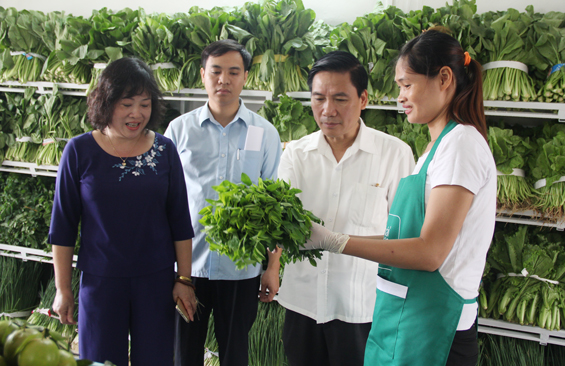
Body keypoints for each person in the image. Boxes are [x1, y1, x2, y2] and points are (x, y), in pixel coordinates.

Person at [303, 29, 497, 366]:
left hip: (436, 326)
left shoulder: (460, 146)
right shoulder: (436, 148)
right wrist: (330, 239)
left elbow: (430, 252)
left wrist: (335, 241)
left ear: (444, 78)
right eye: (398, 87)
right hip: (411, 317)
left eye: (407, 84)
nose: (401, 97)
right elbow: (403, 239)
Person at [49, 57, 197, 365]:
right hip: (101, 282)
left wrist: (184, 279)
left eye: (144, 104)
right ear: (106, 103)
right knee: (99, 360)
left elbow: (180, 221)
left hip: (155, 281)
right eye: (126, 103)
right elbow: (63, 227)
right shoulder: (79, 151)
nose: (136, 114)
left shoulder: (164, 150)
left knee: (156, 360)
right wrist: (63, 288)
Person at [276, 50, 415, 366]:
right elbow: (281, 222)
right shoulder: (295, 155)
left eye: (340, 99)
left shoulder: (395, 155)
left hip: (362, 307)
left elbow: (405, 237)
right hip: (302, 304)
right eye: (318, 98)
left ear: (363, 99)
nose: (327, 110)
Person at [164, 39, 282, 366]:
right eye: (215, 71)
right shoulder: (179, 131)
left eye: (233, 72)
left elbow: (274, 205)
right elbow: (165, 202)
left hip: (241, 270)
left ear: (245, 77)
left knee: (235, 354)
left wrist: (272, 267)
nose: (223, 80)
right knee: (184, 353)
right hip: (189, 268)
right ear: (203, 75)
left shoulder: (265, 133)